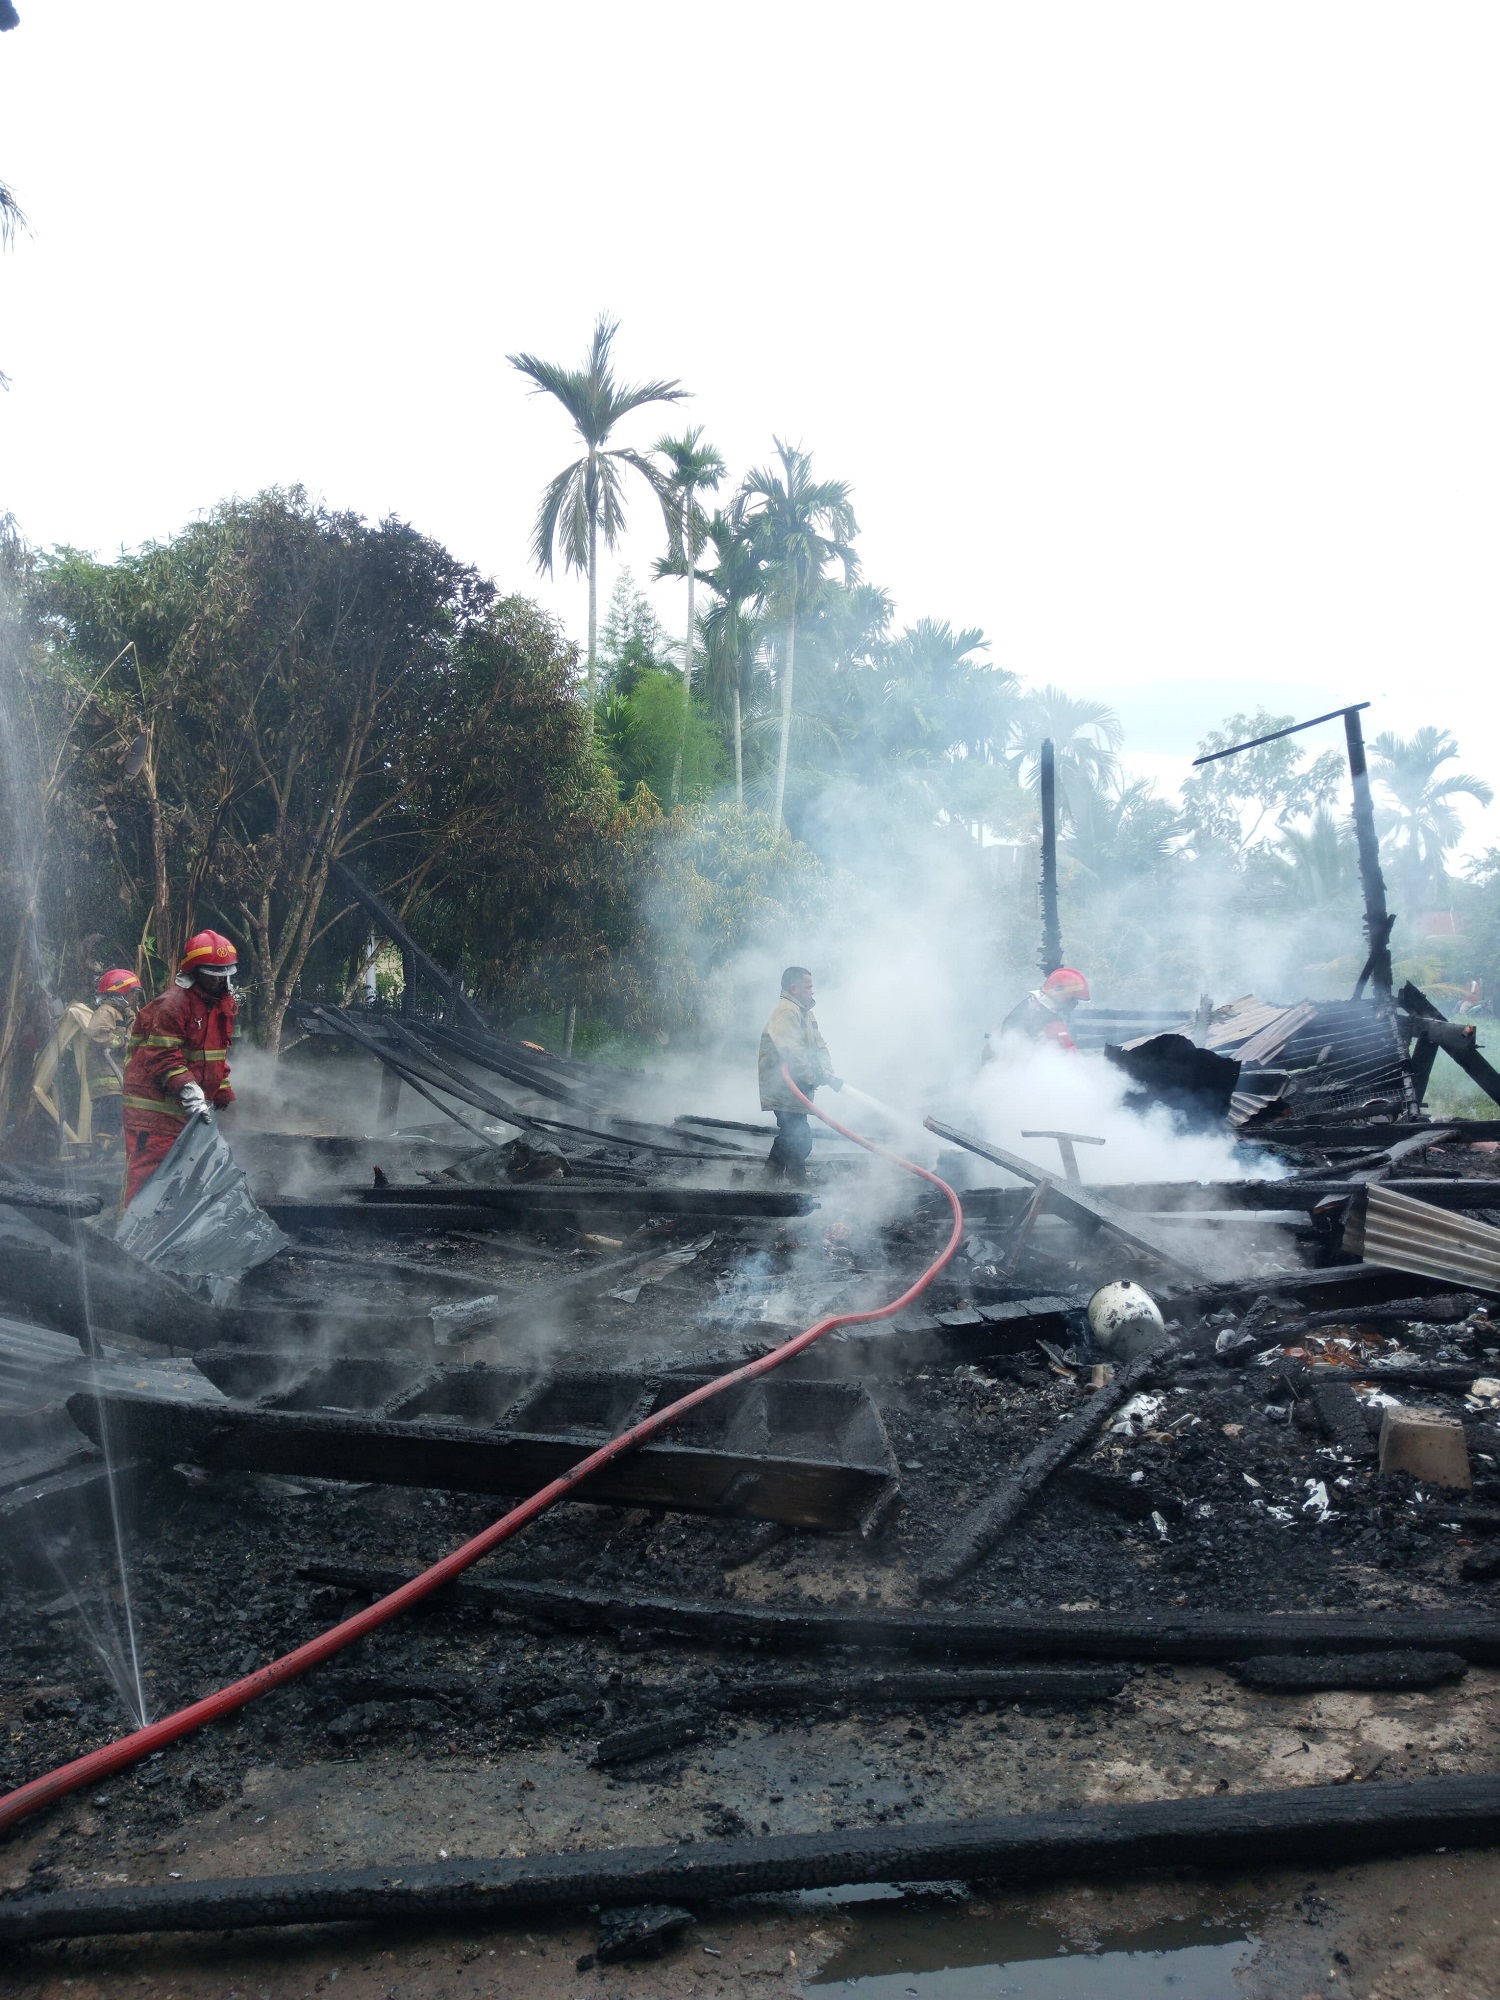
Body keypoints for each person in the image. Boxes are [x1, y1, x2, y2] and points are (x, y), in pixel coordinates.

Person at [121, 930, 239, 1209]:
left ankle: (166, 1238)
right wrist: (189, 1090)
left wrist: (221, 1090)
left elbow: (215, 1054)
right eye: (211, 973)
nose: (218, 979)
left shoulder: (221, 1005)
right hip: (153, 1112)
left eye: (223, 973)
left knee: (182, 1180)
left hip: (185, 1113)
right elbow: (163, 1054)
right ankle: (127, 1241)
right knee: (147, 1177)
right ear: (194, 971)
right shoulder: (172, 1005)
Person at [758, 965, 840, 1182]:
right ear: (794, 988)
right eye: (808, 986)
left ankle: (785, 1180)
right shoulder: (787, 1012)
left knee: (794, 1135)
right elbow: (792, 1052)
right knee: (798, 1136)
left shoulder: (805, 1012)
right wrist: (812, 1078)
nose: (812, 991)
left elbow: (819, 1045)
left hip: (798, 1087)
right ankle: (776, 1181)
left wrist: (826, 1069)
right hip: (784, 1088)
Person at [82, 969, 144, 1145]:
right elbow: (96, 1034)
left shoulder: (126, 1014)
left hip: (119, 1078)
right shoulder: (106, 1011)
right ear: (120, 992)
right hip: (105, 1078)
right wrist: (121, 1043)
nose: (133, 998)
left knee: (118, 1117)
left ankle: (107, 1153)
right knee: (110, 1116)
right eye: (131, 993)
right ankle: (100, 1154)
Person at [986, 966, 1091, 1059]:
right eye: (1074, 1000)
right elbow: (1069, 1053)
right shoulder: (1047, 1018)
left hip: (998, 1062)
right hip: (1005, 1066)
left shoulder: (1034, 1003)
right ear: (1063, 995)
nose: (1075, 1004)